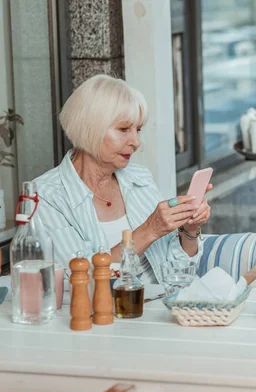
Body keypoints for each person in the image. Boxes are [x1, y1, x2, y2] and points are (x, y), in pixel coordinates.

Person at [33, 75, 210, 283]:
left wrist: (189, 229)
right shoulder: (45, 196)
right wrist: (150, 230)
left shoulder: (140, 178)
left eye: (138, 130)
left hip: (161, 307)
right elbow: (81, 280)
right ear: (90, 127)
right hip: (104, 312)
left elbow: (179, 270)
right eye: (124, 129)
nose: (136, 142)